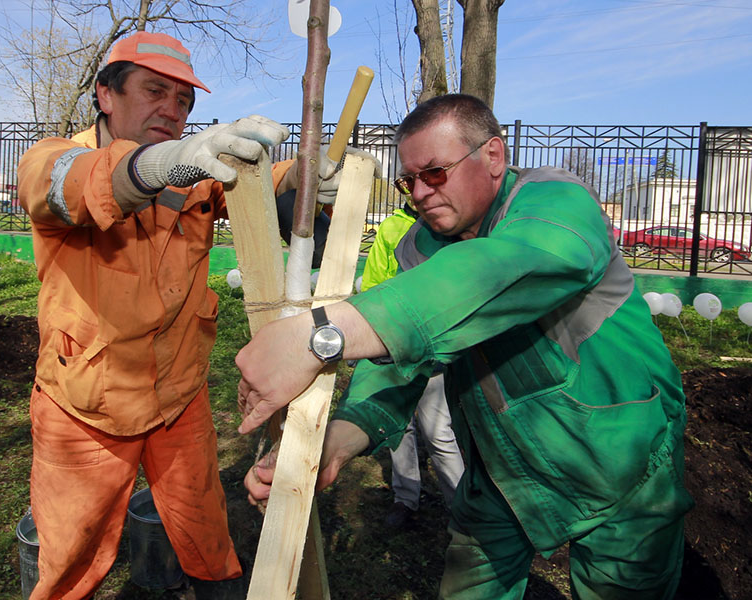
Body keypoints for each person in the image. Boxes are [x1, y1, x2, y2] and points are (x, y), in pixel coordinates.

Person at [235, 94, 694, 599]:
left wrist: (321, 335)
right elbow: (401, 362)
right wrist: (337, 441)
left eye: (434, 172)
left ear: (493, 156)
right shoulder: (419, 247)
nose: (419, 193)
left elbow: (511, 265)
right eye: (407, 181)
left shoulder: (554, 202)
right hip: (497, 472)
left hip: (618, 466)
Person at [17, 31, 343, 600]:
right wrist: (158, 164)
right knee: (69, 558)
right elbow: (70, 185)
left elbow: (259, 187)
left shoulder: (195, 173)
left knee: (206, 535)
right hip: (85, 403)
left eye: (184, 100)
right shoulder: (54, 159)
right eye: (155, 90)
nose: (173, 109)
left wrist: (305, 178)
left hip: (178, 394)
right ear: (105, 95)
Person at [360, 201, 464, 528]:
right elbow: (373, 283)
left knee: (438, 431)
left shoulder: (449, 223)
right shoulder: (392, 227)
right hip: (393, 343)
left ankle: (462, 512)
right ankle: (405, 498)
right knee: (398, 425)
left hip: (434, 344)